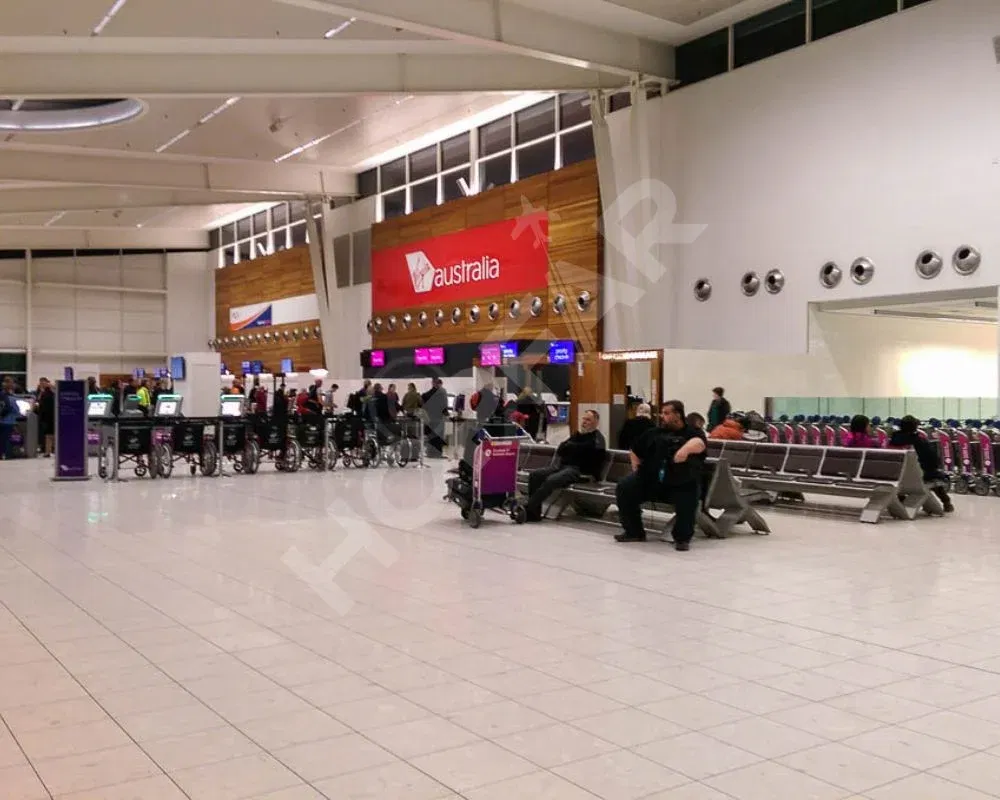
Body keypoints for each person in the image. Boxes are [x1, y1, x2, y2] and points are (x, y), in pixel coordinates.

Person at [615, 400, 707, 550]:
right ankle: (634, 531)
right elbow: (635, 449)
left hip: (679, 483)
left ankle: (682, 539)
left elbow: (699, 443)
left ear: (678, 415)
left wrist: (684, 450)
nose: (662, 416)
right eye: (662, 413)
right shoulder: (654, 432)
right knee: (625, 487)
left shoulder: (692, 432)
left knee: (688, 495)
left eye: (666, 413)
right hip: (651, 480)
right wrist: (636, 469)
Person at [524, 409, 606, 522]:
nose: (584, 422)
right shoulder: (578, 435)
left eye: (588, 420)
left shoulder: (597, 439)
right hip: (563, 467)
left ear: (596, 422)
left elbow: (589, 455)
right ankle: (533, 514)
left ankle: (528, 508)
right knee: (535, 475)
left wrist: (572, 447)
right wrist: (574, 447)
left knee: (552, 480)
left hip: (581, 471)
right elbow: (561, 449)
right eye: (584, 419)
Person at [891, 415, 954, 513]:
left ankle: (902, 499)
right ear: (915, 427)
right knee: (933, 475)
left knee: (920, 472)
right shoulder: (919, 441)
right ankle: (946, 502)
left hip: (896, 476)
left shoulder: (893, 440)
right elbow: (933, 460)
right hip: (918, 476)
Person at [421, 378, 448, 457]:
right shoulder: (442, 393)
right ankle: (437, 453)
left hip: (430, 418)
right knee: (438, 436)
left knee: (431, 436)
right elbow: (444, 406)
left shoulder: (427, 394)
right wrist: (446, 414)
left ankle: (430, 452)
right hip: (438, 418)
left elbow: (422, 401)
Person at [0, 376, 18, 460]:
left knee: (2, 438)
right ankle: (7, 454)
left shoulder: (1, 394)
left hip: (3, 420)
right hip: (9, 420)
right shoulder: (12, 396)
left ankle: (2, 454)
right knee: (7, 438)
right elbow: (13, 409)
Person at [36, 378, 55, 457]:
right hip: (48, 416)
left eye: (43, 383)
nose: (41, 384)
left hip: (49, 416)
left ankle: (48, 451)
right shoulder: (44, 393)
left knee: (49, 434)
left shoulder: (48, 393)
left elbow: (42, 404)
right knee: (49, 434)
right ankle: (48, 450)